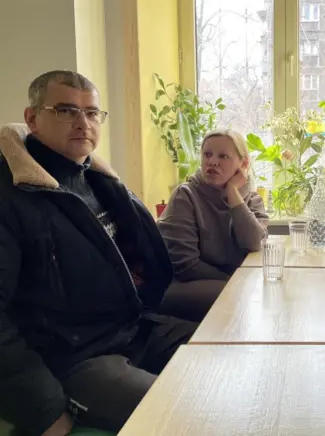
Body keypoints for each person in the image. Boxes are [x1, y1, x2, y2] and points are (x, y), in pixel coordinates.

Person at [0, 70, 196, 436]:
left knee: (230, 365)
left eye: (92, 113)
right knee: (181, 413)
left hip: (136, 329)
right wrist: (42, 406)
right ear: (31, 119)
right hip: (76, 359)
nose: (82, 123)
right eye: (65, 110)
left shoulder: (96, 180)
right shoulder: (13, 196)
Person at [157, 129, 268, 322]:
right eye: (207, 154)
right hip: (186, 286)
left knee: (266, 296)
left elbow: (255, 243)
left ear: (243, 164)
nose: (212, 162)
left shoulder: (252, 199)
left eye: (223, 156)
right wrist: (234, 281)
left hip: (230, 283)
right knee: (244, 299)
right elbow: (186, 266)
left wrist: (233, 195)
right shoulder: (185, 195)